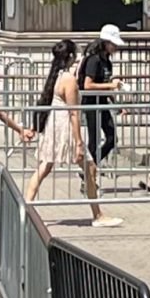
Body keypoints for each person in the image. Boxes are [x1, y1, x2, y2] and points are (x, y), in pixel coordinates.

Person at [25, 39, 123, 227]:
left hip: (55, 123)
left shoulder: (56, 76)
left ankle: (27, 204)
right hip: (64, 126)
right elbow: (73, 113)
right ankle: (97, 214)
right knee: (89, 167)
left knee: (46, 166)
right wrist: (78, 141)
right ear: (70, 58)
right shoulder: (68, 80)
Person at [80, 26, 123, 163]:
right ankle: (88, 173)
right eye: (113, 44)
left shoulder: (107, 62)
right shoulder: (94, 60)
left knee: (111, 137)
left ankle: (92, 164)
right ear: (105, 43)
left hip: (102, 102)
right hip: (91, 102)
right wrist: (110, 85)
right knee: (94, 139)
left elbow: (104, 83)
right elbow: (88, 85)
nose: (115, 47)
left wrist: (116, 102)